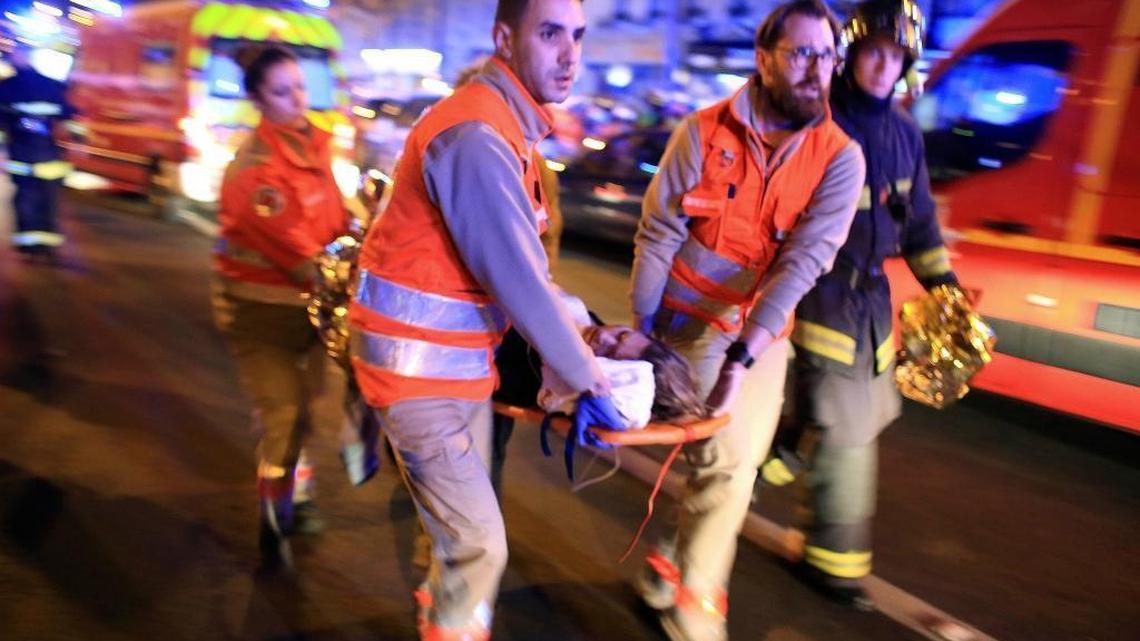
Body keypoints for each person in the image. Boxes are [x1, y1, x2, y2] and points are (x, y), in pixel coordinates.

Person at [347, 2, 625, 639]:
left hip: (453, 368)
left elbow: (528, 273)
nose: (570, 54)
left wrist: (579, 332)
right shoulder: (477, 134)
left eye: (578, 35)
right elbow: (518, 278)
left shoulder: (507, 130)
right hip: (416, 376)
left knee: (459, 542)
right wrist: (588, 375)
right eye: (550, 33)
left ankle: (447, 618)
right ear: (504, 37)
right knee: (479, 544)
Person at [629, 2, 866, 639]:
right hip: (681, 325)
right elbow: (658, 235)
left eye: (828, 55)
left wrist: (742, 357)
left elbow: (803, 263)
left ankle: (685, 594)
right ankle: (681, 587)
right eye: (802, 53)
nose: (818, 69)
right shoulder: (702, 134)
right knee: (716, 462)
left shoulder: (841, 159)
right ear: (764, 60)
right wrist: (642, 334)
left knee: (730, 466)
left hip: (755, 336)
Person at [779, 0, 960, 610]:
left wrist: (946, 290)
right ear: (851, 55)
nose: (884, 66)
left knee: (839, 418)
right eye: (874, 52)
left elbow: (920, 225)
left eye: (896, 56)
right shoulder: (819, 119)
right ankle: (834, 566)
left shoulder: (905, 134)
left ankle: (746, 477)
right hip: (817, 294)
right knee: (844, 425)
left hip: (870, 306)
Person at [210, 46, 351, 571]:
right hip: (259, 314)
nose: (297, 98)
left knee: (304, 407)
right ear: (259, 100)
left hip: (308, 311)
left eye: (299, 85)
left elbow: (336, 220)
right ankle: (275, 518)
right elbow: (298, 250)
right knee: (285, 413)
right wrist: (349, 273)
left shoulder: (314, 148)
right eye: (282, 91)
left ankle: (297, 489)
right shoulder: (256, 171)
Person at [0, 42, 76, 259]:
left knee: (26, 198)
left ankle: (29, 245)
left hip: (23, 155)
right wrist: (77, 139)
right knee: (48, 200)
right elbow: (68, 116)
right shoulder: (51, 85)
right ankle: (47, 244)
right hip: (48, 155)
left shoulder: (7, 88)